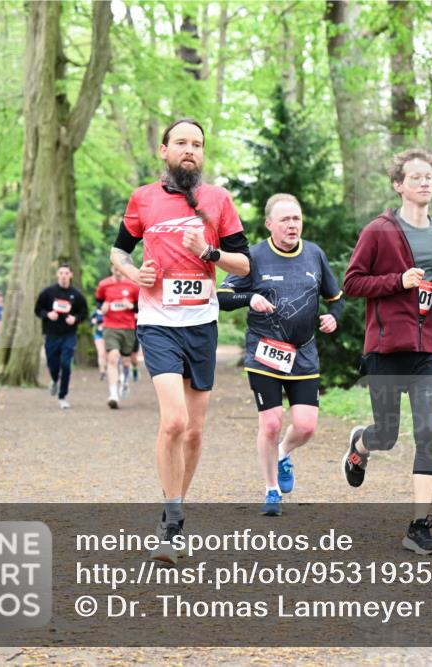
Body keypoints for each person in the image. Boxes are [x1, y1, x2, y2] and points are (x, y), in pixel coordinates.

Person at [111, 118, 250, 564]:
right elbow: (119, 251)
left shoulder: (218, 200)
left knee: (193, 431)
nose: (190, 149)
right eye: (181, 142)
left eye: (197, 144)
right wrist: (134, 273)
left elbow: (245, 264)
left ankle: (175, 508)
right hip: (157, 322)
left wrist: (208, 252)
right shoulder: (143, 198)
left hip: (201, 324)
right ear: (164, 149)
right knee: (173, 421)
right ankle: (171, 523)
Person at [343, 148, 432, 555]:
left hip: (427, 351)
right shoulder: (379, 231)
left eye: (429, 177)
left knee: (427, 432)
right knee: (387, 435)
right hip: (386, 350)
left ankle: (419, 526)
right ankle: (361, 445)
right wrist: (397, 281)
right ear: (398, 185)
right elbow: (352, 283)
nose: (425, 183)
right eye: (416, 177)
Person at [218, 194, 344, 516]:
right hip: (264, 352)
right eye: (285, 219)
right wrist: (249, 298)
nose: (292, 225)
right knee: (271, 422)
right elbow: (222, 296)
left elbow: (336, 298)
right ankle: (271, 490)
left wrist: (334, 317)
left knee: (306, 427)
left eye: (296, 219)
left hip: (303, 354)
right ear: (269, 224)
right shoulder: (254, 257)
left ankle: (284, 453)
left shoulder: (314, 254)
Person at [34, 264, 89, 410]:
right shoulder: (48, 292)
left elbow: (84, 313)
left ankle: (62, 396)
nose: (64, 276)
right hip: (51, 334)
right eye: (61, 273)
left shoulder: (76, 295)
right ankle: (54, 379)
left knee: (66, 363)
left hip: (68, 334)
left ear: (71, 275)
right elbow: (38, 309)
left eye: (66, 273)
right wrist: (48, 314)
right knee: (52, 363)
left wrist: (75, 319)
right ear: (57, 275)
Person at [96, 267, 140, 408]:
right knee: (113, 358)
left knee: (126, 361)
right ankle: (113, 394)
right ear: (111, 268)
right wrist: (102, 307)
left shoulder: (133, 285)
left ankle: (125, 380)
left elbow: (140, 306)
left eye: (119, 268)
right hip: (110, 326)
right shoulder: (104, 284)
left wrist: (131, 306)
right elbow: (99, 302)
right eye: (115, 268)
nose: (117, 270)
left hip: (128, 327)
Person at [91, 307, 107, 380]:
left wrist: (99, 320)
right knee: (101, 353)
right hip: (98, 335)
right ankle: (102, 372)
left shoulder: (109, 309)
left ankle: (107, 368)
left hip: (109, 334)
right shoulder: (95, 312)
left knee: (107, 354)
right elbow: (90, 323)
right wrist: (93, 322)